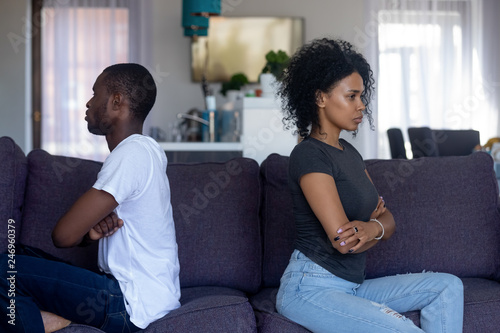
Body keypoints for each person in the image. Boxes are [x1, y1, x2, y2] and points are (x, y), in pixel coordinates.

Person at [275, 38, 464, 333]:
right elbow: (345, 242)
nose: (361, 105)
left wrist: (371, 228)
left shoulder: (351, 154)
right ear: (320, 98)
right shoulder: (309, 154)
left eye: (362, 96)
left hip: (351, 285)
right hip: (311, 289)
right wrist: (375, 227)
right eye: (351, 96)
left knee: (448, 287)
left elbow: (388, 221)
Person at [0, 63, 181, 332]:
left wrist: (79, 232)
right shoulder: (145, 151)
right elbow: (79, 234)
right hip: (137, 295)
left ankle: (42, 321)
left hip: (132, 304)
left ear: (116, 101)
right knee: (17, 254)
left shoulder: (132, 154)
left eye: (95, 93)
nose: (88, 102)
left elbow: (62, 236)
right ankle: (46, 316)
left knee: (5, 272)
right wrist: (90, 233)